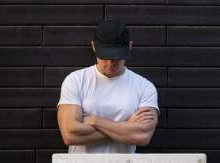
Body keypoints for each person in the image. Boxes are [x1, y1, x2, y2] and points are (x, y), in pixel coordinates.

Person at [57, 19, 160, 153]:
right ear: (94, 46)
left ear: (129, 46)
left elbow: (143, 136)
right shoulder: (76, 80)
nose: (111, 62)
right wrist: (126, 127)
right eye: (105, 56)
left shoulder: (145, 87)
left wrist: (95, 121)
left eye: (117, 56)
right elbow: (69, 134)